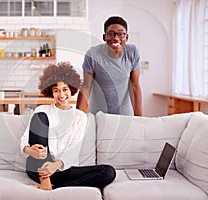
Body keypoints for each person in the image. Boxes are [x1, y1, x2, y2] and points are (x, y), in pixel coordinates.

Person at [20, 62, 116, 191]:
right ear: (51, 92)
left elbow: (73, 149)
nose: (61, 95)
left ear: (71, 89)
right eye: (56, 90)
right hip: (37, 167)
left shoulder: (80, 116)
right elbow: (25, 139)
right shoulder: (42, 110)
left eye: (65, 89)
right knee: (40, 117)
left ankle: (54, 187)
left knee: (108, 172)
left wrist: (55, 166)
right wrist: (30, 151)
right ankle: (45, 181)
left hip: (63, 169)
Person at [76, 16, 142, 116]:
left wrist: (139, 119)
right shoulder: (93, 54)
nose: (115, 38)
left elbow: (135, 86)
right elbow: (86, 87)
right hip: (98, 116)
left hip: (124, 117)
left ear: (126, 37)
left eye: (120, 34)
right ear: (104, 37)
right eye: (111, 34)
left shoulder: (132, 52)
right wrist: (78, 117)